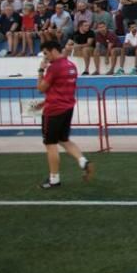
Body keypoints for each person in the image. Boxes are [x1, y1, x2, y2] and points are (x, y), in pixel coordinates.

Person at [33, 40, 94, 189]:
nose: (45, 58)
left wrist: (41, 71)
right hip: (67, 107)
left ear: (53, 50)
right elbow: (61, 88)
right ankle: (83, 161)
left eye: (46, 54)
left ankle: (54, 179)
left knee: (50, 144)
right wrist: (45, 102)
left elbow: (41, 88)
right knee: (63, 139)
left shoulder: (54, 68)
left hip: (53, 110)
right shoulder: (71, 66)